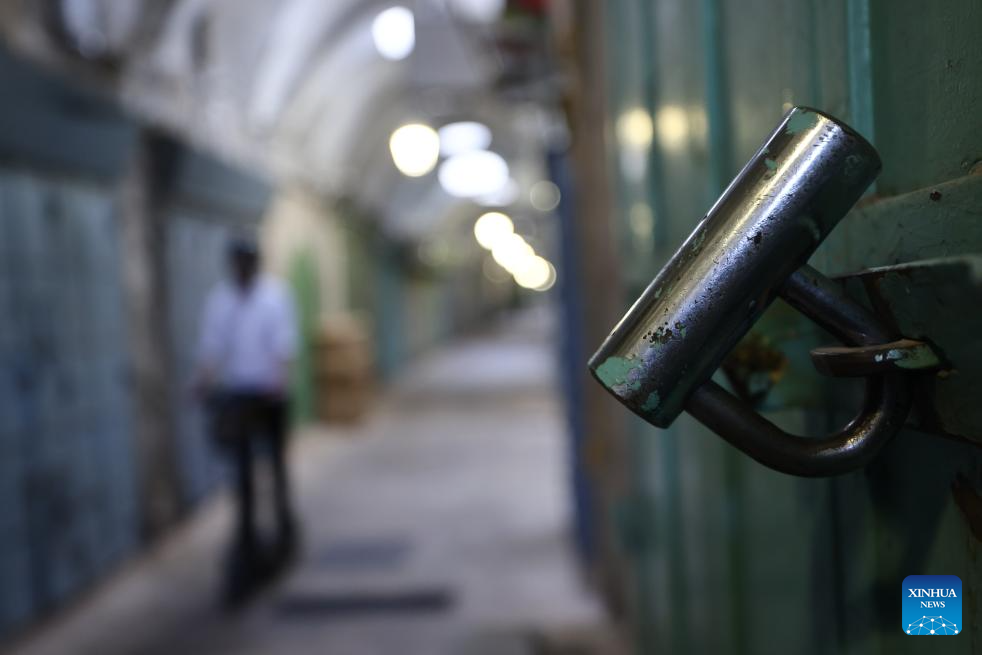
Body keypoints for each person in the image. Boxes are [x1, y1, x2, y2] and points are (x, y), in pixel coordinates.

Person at [193, 237, 299, 605]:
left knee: (277, 467)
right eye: (238, 263)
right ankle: (247, 538)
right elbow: (212, 346)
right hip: (241, 395)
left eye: (247, 262)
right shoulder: (221, 301)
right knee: (243, 473)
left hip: (271, 396)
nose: (242, 269)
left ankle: (284, 527)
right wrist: (202, 382)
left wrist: (279, 379)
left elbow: (284, 344)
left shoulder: (275, 296)